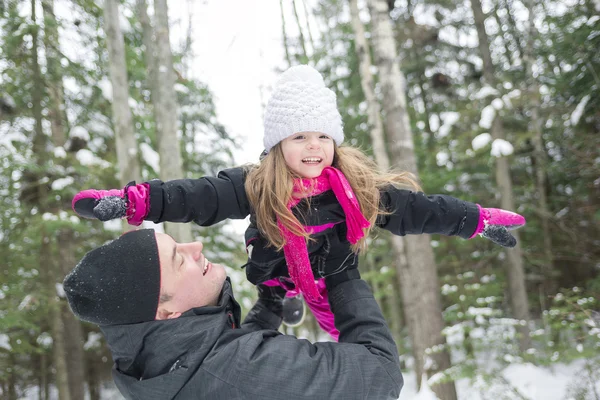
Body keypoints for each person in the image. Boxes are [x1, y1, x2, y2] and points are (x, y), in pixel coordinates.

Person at [72, 65, 526, 341]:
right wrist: (133, 202)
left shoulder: (355, 186)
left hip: (338, 273)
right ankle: (279, 308)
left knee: (359, 332)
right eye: (300, 136)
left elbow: (417, 209)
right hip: (275, 271)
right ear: (277, 144)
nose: (313, 147)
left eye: (323, 136)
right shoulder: (255, 184)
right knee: (264, 317)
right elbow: (196, 196)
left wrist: (475, 220)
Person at [63, 229, 404, 400]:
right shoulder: (243, 373)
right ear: (165, 310)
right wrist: (342, 273)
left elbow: (222, 359)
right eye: (178, 259)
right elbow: (381, 371)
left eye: (178, 243)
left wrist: (271, 301)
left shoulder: (146, 367)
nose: (195, 247)